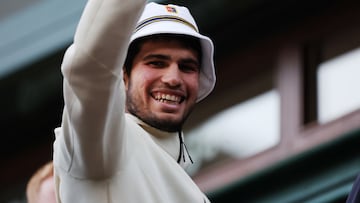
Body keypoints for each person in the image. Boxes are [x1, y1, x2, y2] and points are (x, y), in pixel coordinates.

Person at [52, 0, 215, 203]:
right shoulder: (104, 143)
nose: (173, 78)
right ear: (123, 75)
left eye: (187, 67)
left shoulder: (193, 191)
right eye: (156, 63)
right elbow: (89, 69)